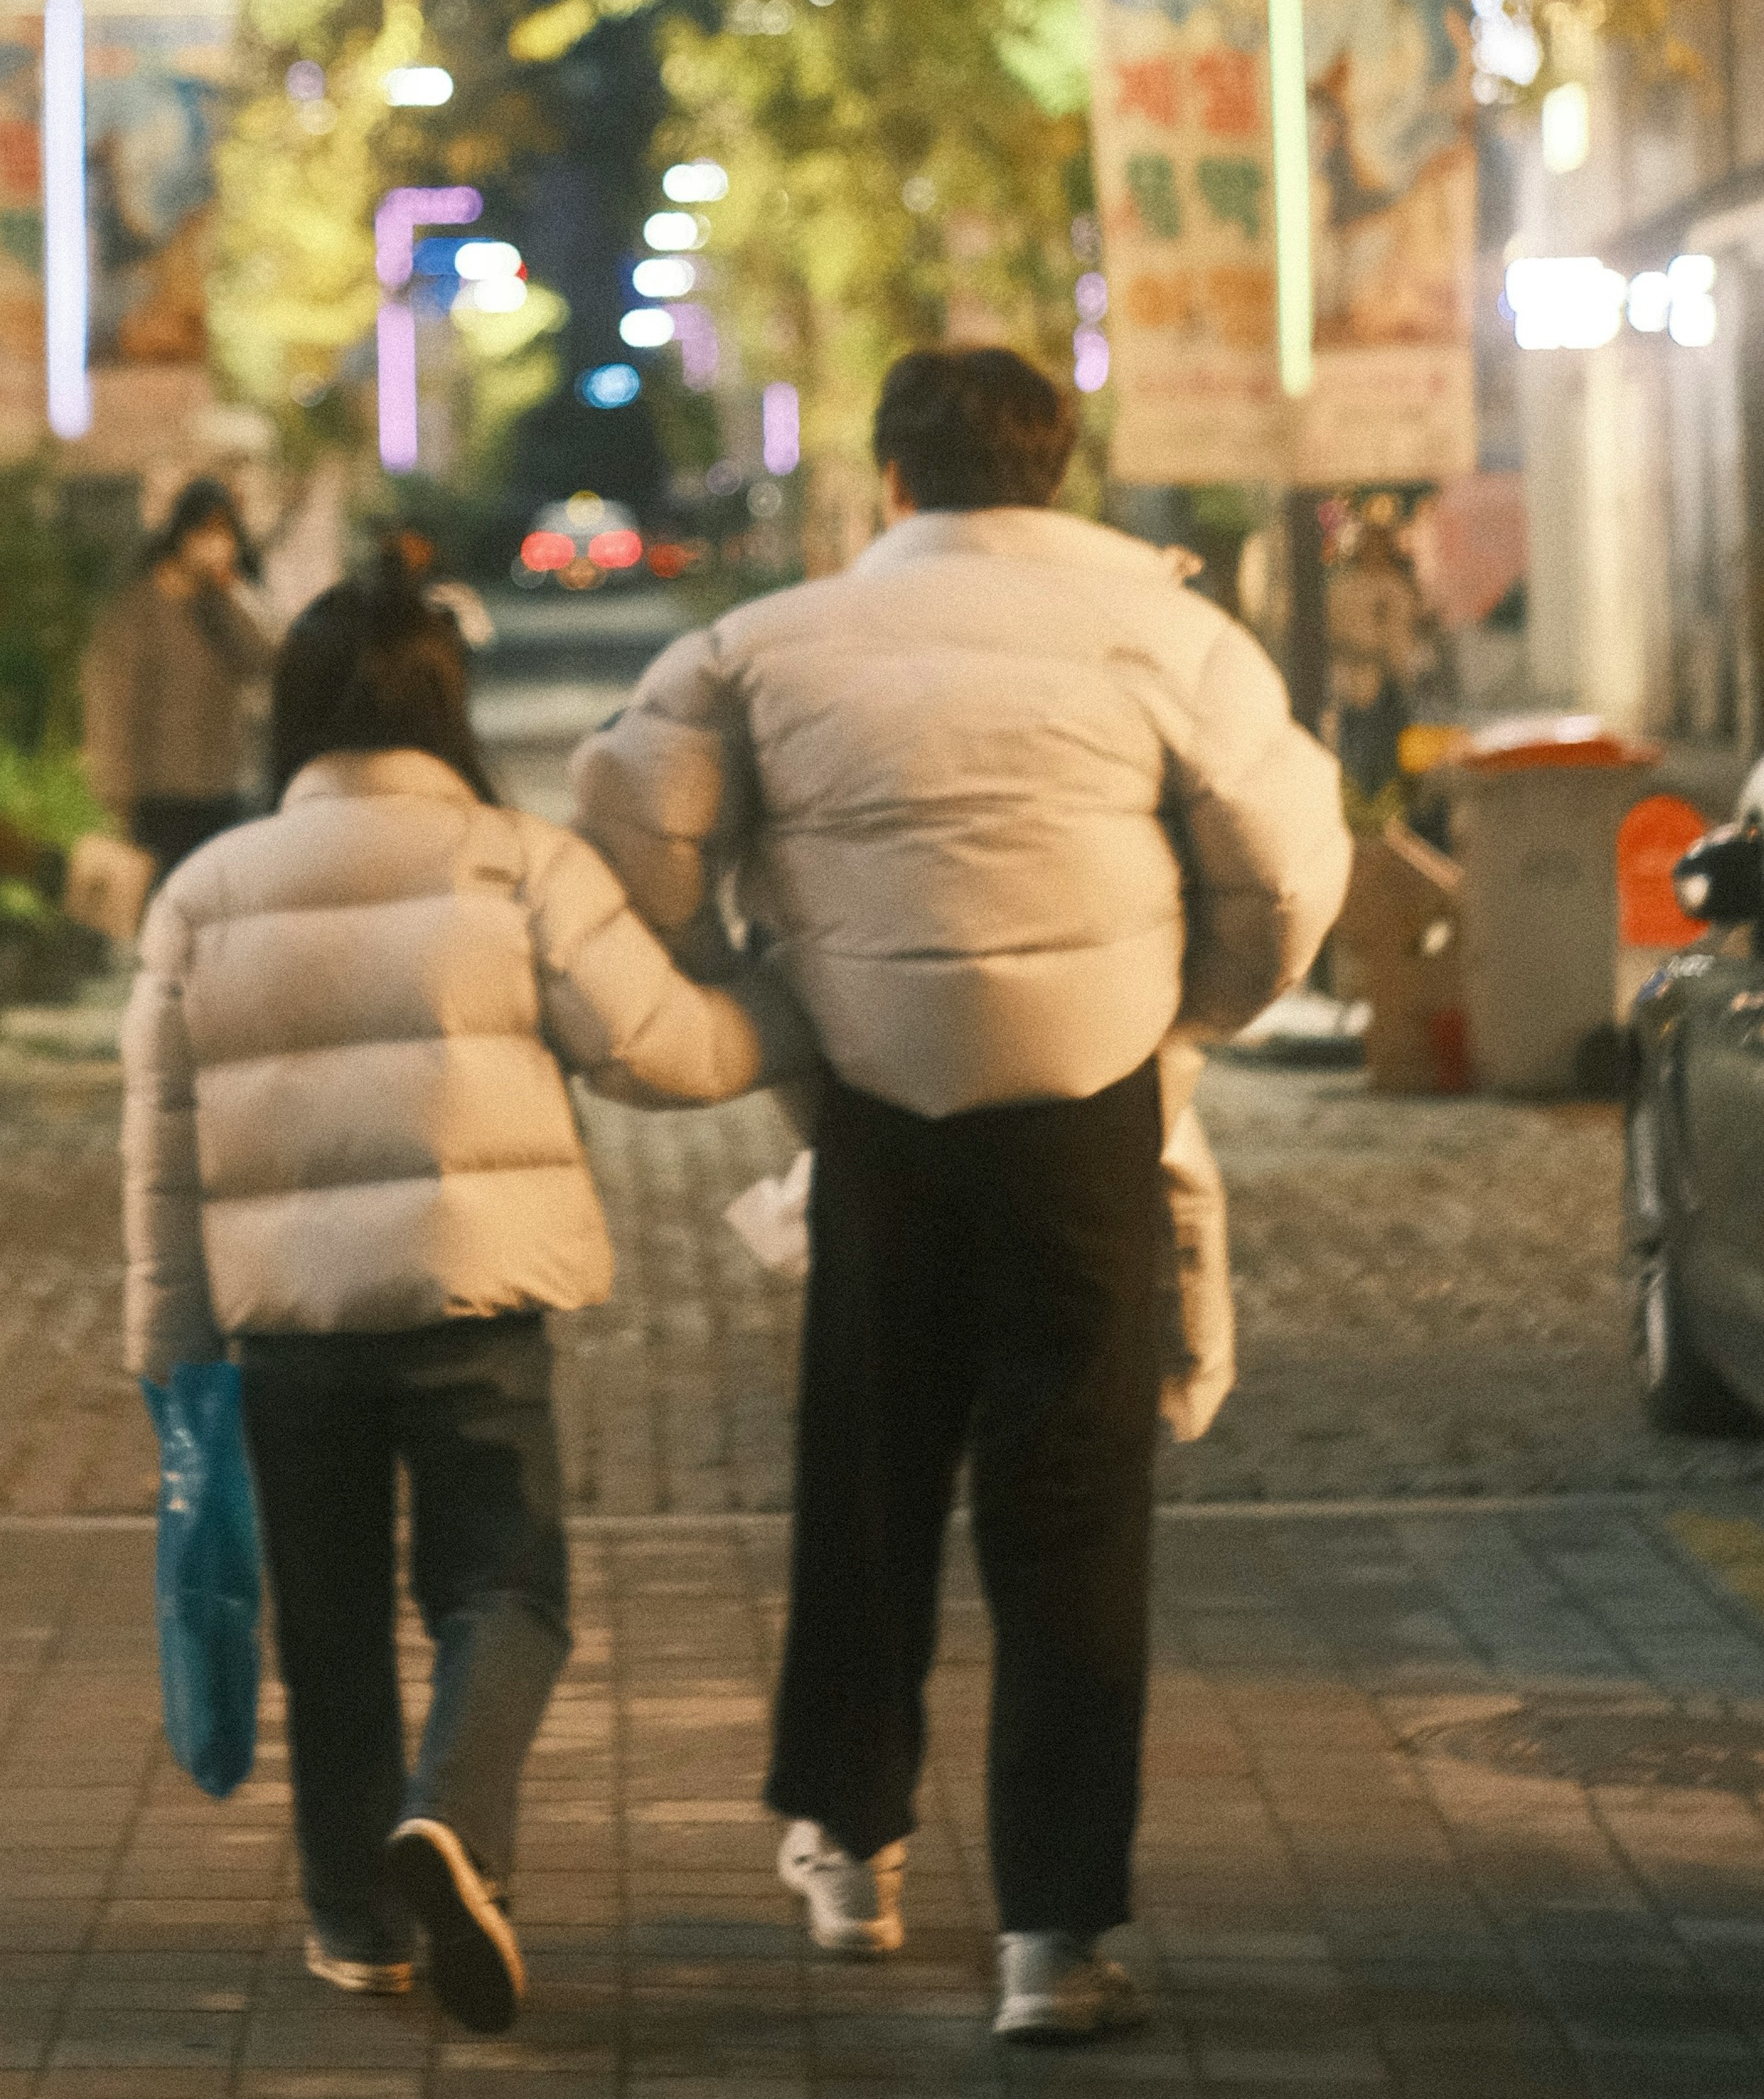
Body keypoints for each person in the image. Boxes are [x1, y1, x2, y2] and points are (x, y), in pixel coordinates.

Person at [573, 345, 1349, 2049]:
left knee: (864, 1470)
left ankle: (851, 1848)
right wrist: (1180, 1007)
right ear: (1056, 468)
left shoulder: (761, 644)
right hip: (1086, 1112)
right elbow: (1285, 867)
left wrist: (766, 998)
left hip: (873, 1109)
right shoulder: (1170, 635)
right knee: (1073, 1503)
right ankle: (1053, 1935)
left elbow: (629, 833)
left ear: (891, 480)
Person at [121, 563, 798, 2033]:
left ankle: (357, 1925)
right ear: (449, 707)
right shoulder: (519, 863)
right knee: (509, 1589)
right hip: (473, 1310)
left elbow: (162, 1150)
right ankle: (454, 1820)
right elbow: (660, 1048)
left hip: (288, 1333)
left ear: (294, 715)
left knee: (336, 1625)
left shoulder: (206, 893)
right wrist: (796, 1013)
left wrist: (170, 1352)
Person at [83, 476, 279, 883]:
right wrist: (116, 792)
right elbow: (113, 703)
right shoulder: (140, 607)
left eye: (225, 532)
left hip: (223, 787)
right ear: (183, 534)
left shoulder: (223, 604)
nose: (216, 543)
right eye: (206, 531)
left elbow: (265, 661)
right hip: (159, 794)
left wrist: (229, 593)